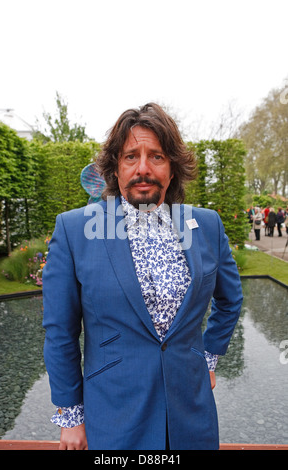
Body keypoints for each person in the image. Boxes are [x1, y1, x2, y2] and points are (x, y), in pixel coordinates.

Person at [43, 103, 243, 450]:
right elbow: (60, 331)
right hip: (115, 418)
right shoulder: (75, 230)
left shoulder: (206, 225)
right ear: (115, 168)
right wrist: (71, 416)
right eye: (131, 156)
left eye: (157, 157)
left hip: (192, 418)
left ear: (172, 169)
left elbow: (230, 300)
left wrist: (208, 357)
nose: (143, 169)